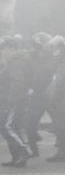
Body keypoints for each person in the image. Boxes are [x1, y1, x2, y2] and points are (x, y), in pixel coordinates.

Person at [0, 36, 34, 166]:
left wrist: (10, 100)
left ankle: (24, 151)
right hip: (9, 100)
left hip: (14, 101)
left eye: (4, 48)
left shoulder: (15, 62)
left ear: (11, 48)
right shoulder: (10, 61)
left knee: (7, 127)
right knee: (8, 127)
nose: (2, 51)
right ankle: (17, 156)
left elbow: (17, 82)